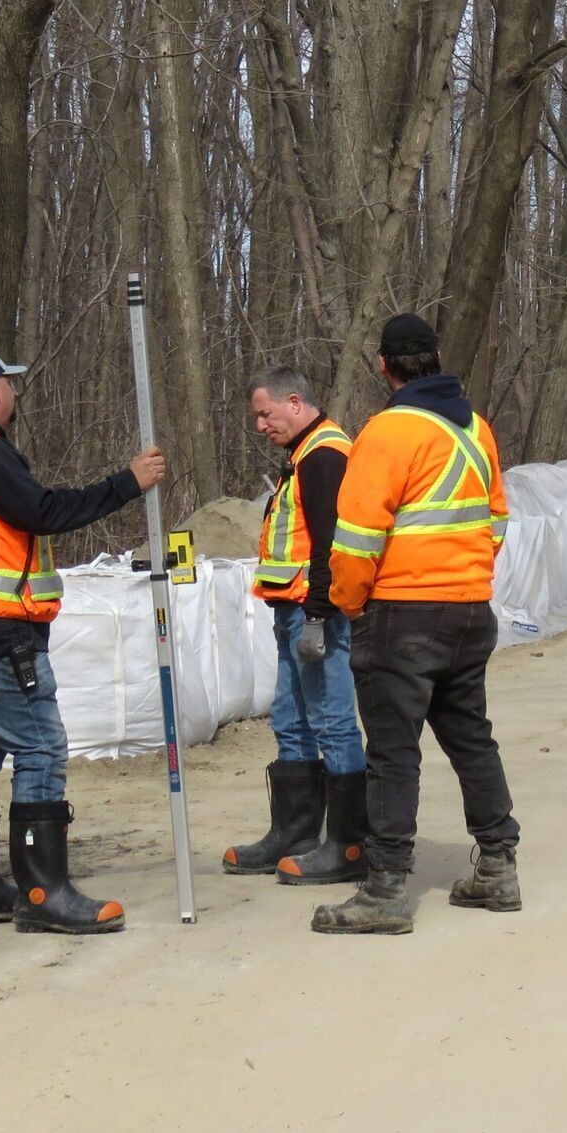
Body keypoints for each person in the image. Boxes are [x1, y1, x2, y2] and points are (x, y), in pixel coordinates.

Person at [0, 347, 164, 935]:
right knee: (42, 749)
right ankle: (44, 893)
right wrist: (127, 482)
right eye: (11, 387)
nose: (15, 398)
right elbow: (42, 511)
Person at [313, 313, 520, 936]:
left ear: (384, 366)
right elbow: (498, 519)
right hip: (468, 610)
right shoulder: (476, 428)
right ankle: (498, 868)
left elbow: (354, 539)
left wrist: (350, 604)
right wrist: (467, 576)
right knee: (470, 738)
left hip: (401, 614)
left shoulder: (385, 431)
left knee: (394, 753)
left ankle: (385, 891)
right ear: (436, 356)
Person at [220, 367, 365, 885]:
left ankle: (350, 846)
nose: (260, 425)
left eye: (266, 413)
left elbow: (332, 540)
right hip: (292, 610)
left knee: (331, 721)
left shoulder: (325, 454)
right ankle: (297, 832)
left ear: (295, 402)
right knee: (290, 719)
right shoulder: (303, 455)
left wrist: (323, 616)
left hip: (313, 612)